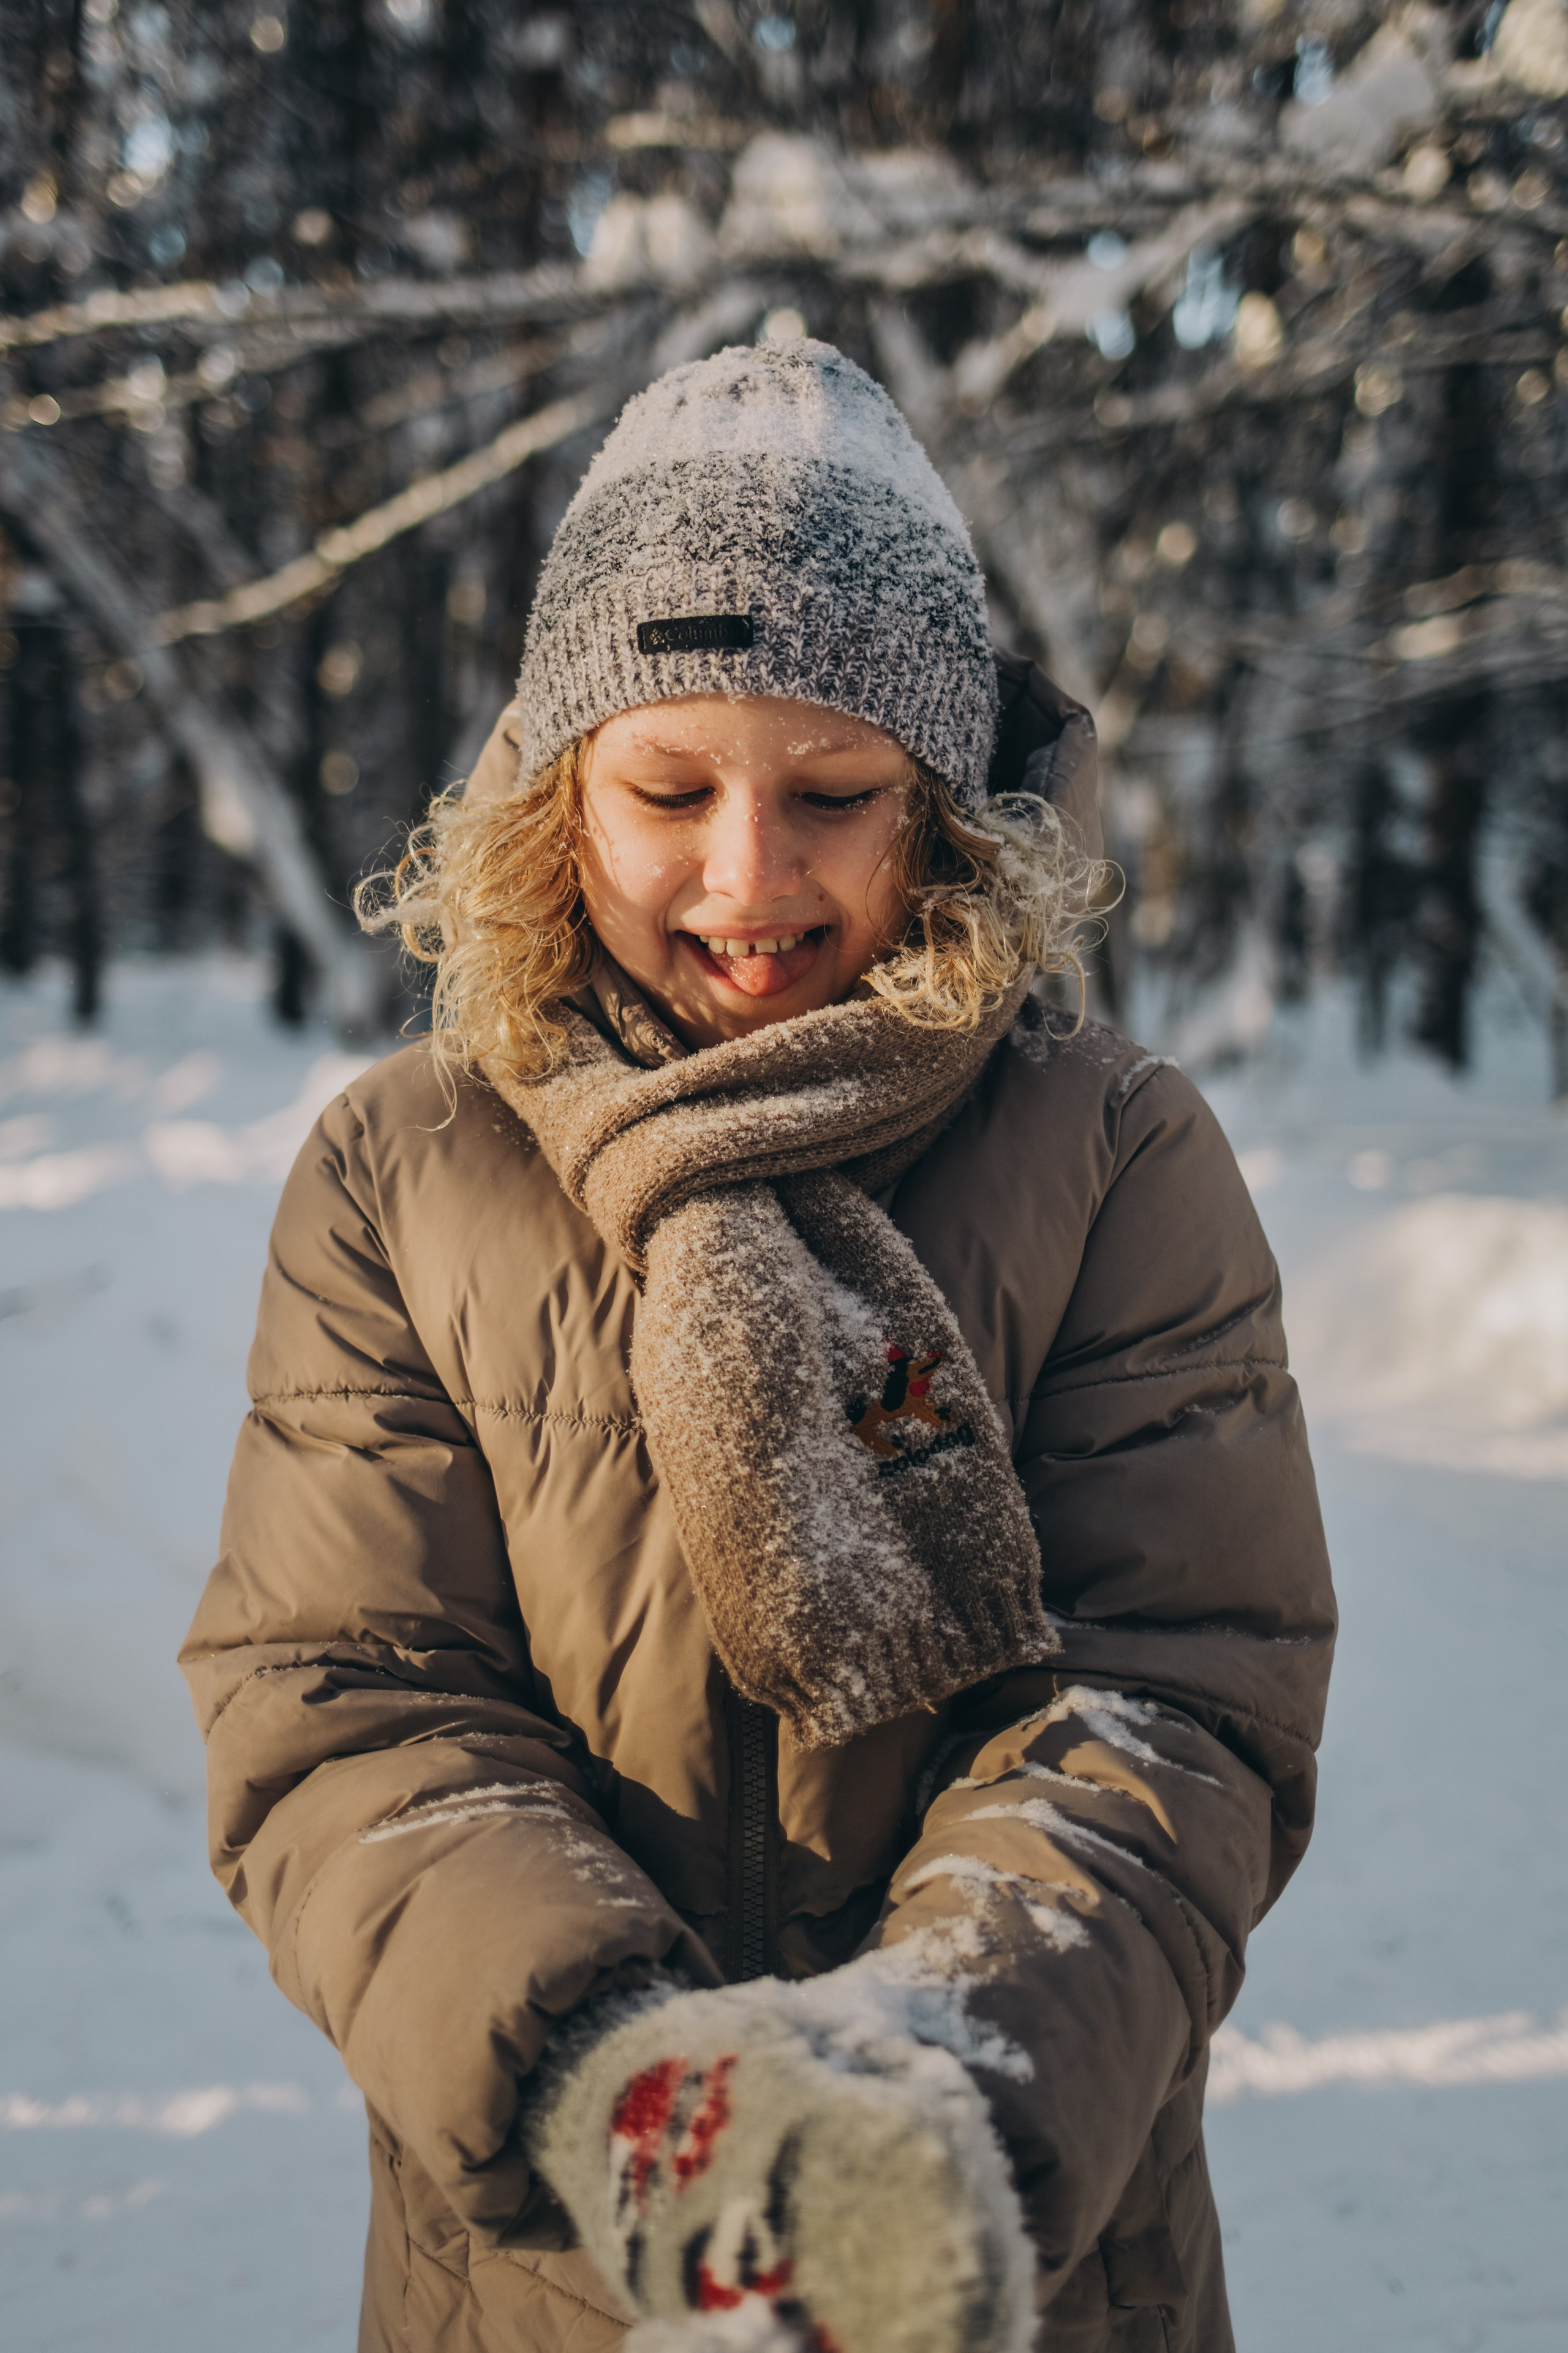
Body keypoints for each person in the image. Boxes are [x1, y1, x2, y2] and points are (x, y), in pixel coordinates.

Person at [181, 340, 1334, 2353]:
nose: (746, 873)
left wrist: (916, 2089)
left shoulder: (1114, 1152)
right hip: (555, 2262)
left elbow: (1180, 1695)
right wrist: (642, 2092)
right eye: (668, 788)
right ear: (554, 794)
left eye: (834, 795)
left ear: (948, 809)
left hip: (1006, 2242)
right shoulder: (410, 1165)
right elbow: (347, 1698)